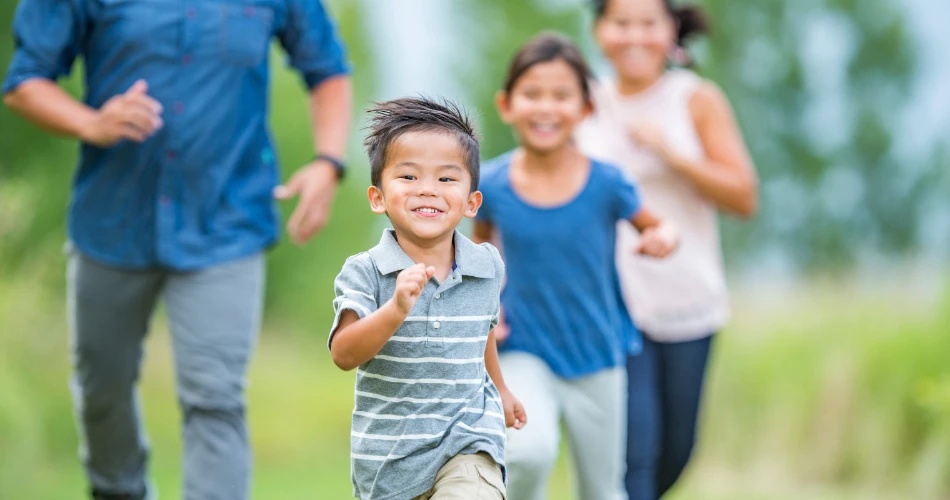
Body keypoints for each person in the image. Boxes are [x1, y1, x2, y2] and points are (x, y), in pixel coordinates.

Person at [1, 0, 352, 497]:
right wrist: (89, 122)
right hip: (112, 220)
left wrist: (327, 162)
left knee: (216, 397)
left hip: (227, 221)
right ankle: (118, 490)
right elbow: (24, 82)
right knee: (103, 388)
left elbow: (328, 70)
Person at [472, 33, 679, 500]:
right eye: (532, 94)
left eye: (561, 95)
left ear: (585, 109)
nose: (546, 108)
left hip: (598, 355)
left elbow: (659, 225)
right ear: (507, 105)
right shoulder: (493, 186)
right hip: (524, 348)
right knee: (527, 453)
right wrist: (488, 308)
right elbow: (478, 256)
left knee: (603, 490)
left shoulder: (608, 183)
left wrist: (662, 237)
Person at [575, 0, 760, 498]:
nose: (634, 36)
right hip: (610, 302)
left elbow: (743, 196)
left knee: (677, 451)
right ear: (599, 31)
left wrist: (671, 153)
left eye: (648, 23)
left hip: (686, 297)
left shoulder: (695, 99)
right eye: (621, 23)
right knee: (634, 450)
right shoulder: (580, 101)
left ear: (671, 30)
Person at [328, 96, 526, 500]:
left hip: (469, 439)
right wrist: (395, 310)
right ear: (378, 197)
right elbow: (344, 354)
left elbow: (480, 331)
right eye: (409, 177)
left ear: (472, 202)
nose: (428, 191)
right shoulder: (365, 270)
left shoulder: (487, 264)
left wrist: (500, 389)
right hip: (389, 463)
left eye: (447, 179)